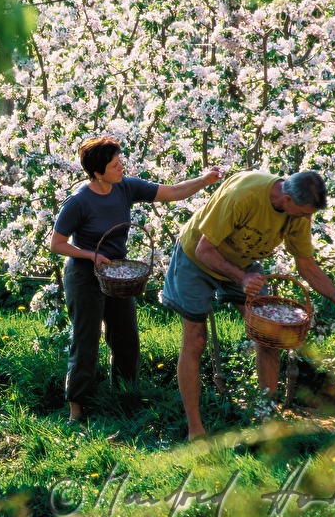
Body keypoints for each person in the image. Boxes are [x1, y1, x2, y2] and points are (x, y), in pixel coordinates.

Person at [161, 169, 335, 440]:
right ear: (286, 199)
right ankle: (196, 430)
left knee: (270, 336)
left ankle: (266, 421)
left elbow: (306, 266)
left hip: (242, 262)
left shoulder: (297, 214)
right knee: (196, 340)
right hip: (197, 257)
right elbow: (204, 249)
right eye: (305, 212)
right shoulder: (243, 196)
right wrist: (241, 277)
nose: (308, 219)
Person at [49, 136, 224, 423]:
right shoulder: (79, 202)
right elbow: (56, 244)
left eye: (120, 162)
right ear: (97, 173)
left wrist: (205, 180)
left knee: (127, 339)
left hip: (118, 275)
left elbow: (175, 192)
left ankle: (122, 398)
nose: (122, 168)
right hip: (84, 276)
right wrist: (91, 255)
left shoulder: (125, 187)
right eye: (115, 165)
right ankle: (76, 409)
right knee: (86, 341)